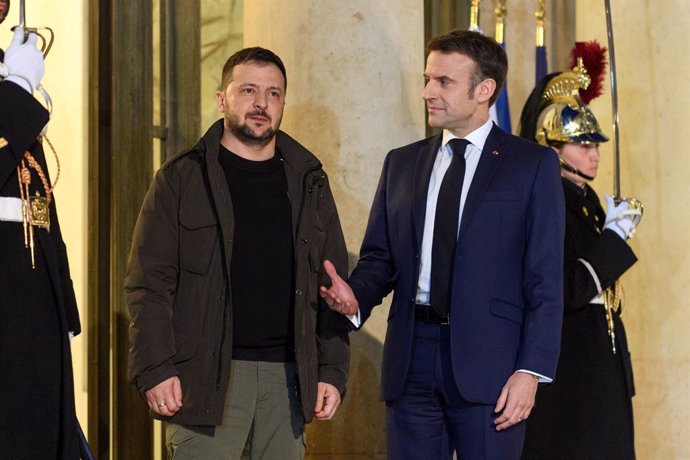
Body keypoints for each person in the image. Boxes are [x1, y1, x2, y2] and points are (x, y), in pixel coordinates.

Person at [320, 30, 565, 459]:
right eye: (428, 79)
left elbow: (544, 277)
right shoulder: (402, 162)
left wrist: (531, 371)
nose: (427, 92)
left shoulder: (532, 165)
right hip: (411, 361)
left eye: (443, 82)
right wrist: (354, 297)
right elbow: (381, 257)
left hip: (492, 368)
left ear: (484, 90)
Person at [125, 46, 350, 459]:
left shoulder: (309, 182)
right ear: (221, 98)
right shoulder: (180, 179)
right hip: (205, 381)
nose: (261, 103)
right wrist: (155, 368)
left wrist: (332, 372)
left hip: (289, 385)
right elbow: (148, 284)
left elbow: (332, 286)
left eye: (274, 93)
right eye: (248, 90)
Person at [518, 49, 640, 460]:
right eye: (581, 143)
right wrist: (614, 240)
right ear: (550, 146)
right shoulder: (548, 198)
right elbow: (567, 287)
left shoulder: (585, 199)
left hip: (599, 366)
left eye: (595, 143)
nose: (595, 153)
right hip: (569, 375)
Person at [0, 24, 82, 459]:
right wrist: (17, 87)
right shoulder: (12, 85)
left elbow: (38, 204)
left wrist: (61, 307)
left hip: (32, 309)